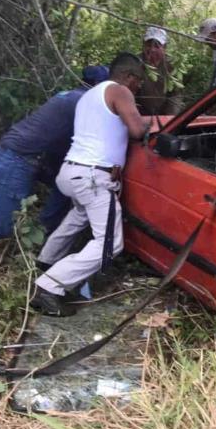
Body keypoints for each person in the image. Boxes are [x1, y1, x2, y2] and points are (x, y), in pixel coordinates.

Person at [0, 66, 110, 262]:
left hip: (29, 155)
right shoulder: (82, 103)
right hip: (18, 158)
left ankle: (43, 235)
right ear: (98, 87)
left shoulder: (70, 96)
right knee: (2, 226)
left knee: (64, 186)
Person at [30, 52, 150, 317]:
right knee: (110, 243)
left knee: (79, 216)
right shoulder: (120, 91)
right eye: (138, 80)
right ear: (128, 76)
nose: (139, 86)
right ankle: (50, 287)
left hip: (71, 172)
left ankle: (45, 261)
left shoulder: (90, 96)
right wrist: (155, 122)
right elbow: (138, 131)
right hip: (93, 177)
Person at [136, 26, 182, 116]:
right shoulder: (136, 62)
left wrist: (170, 118)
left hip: (163, 114)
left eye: (157, 46)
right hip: (140, 113)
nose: (152, 49)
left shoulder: (172, 65)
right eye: (149, 45)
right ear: (143, 45)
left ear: (164, 47)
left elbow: (175, 95)